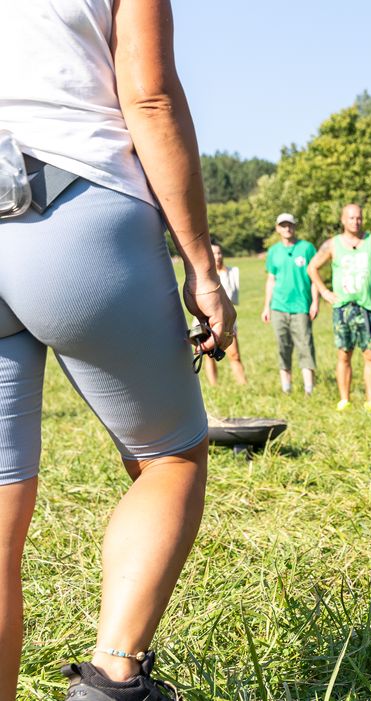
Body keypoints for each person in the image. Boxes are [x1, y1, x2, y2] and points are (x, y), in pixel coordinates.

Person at [0, 1, 235, 698]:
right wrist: (200, 263)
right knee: (169, 456)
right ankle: (112, 678)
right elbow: (150, 94)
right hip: (76, 203)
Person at [307, 203, 371, 411]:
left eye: (358, 218)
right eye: (351, 218)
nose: (355, 221)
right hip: (343, 308)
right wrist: (324, 292)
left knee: (370, 354)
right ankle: (344, 399)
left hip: (368, 306)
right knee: (344, 354)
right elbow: (312, 267)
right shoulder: (333, 244)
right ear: (343, 220)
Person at [262, 213, 319, 395]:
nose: (287, 228)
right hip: (279, 306)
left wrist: (315, 302)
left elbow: (314, 278)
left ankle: (309, 389)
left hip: (301, 306)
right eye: (283, 225)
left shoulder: (307, 248)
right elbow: (271, 279)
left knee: (305, 345)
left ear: (295, 226)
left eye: (290, 225)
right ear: (278, 228)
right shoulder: (273, 252)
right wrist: (266, 306)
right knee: (283, 347)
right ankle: (286, 388)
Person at [203, 243, 247, 385]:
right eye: (214, 253)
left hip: (227, 320)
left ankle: (242, 384)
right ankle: (214, 385)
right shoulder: (205, 276)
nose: (217, 256)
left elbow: (234, 299)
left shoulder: (231, 273)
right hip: (206, 319)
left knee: (234, 353)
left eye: (219, 253)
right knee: (208, 355)